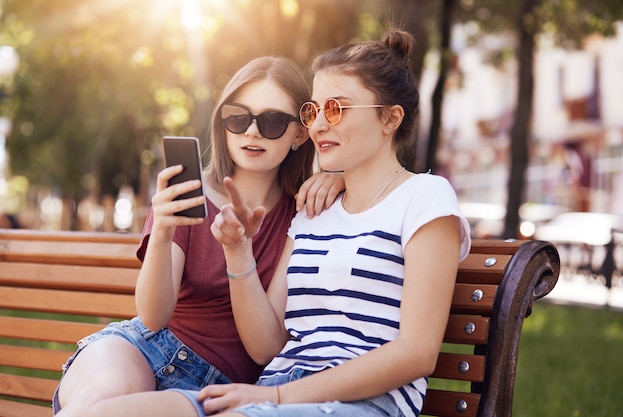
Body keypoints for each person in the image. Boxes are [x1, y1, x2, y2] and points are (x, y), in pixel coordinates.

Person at [63, 29, 471, 417]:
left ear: (390, 118)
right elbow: (267, 346)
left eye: (337, 108)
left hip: (335, 400)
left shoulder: (423, 197)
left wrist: (274, 394)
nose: (319, 124)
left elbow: (418, 352)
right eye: (314, 110)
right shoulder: (312, 212)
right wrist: (237, 250)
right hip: (263, 390)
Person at [52, 56, 344, 416]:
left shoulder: (302, 214)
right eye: (238, 118)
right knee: (105, 396)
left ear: (300, 133)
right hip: (143, 351)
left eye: (271, 121)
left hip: (222, 390)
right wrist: (161, 232)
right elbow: (153, 317)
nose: (252, 132)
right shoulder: (188, 194)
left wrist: (340, 177)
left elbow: (266, 349)